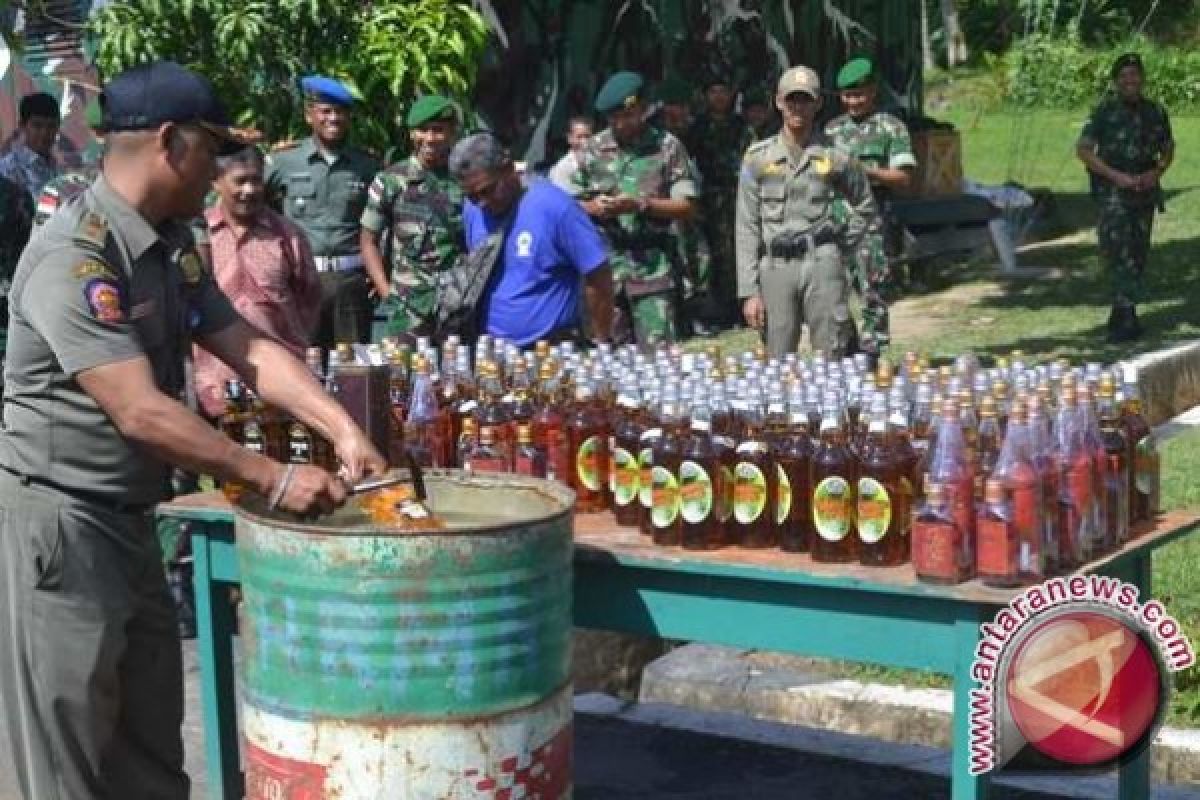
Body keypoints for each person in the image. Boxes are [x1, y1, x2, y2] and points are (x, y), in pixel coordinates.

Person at [0, 60, 385, 800]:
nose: (220, 172)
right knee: (61, 770)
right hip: (60, 532)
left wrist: (342, 428)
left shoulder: (167, 245)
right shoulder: (75, 256)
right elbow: (139, 410)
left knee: (148, 760)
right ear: (171, 142)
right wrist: (271, 476)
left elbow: (248, 346)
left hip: (129, 521)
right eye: (212, 151)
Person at [736, 65, 882, 360]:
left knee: (831, 354)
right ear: (778, 101)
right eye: (792, 99)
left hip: (822, 263)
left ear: (818, 103)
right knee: (777, 358)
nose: (797, 107)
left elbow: (865, 205)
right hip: (776, 266)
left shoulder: (835, 154)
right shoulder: (757, 158)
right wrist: (749, 291)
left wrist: (841, 243)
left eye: (805, 99)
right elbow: (747, 225)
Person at [193, 145, 322, 418]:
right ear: (216, 181)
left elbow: (308, 299)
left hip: (278, 392)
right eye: (240, 181)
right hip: (213, 390)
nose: (250, 190)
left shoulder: (288, 236)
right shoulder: (197, 235)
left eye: (256, 180)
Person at [451, 132, 613, 347]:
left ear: (508, 169)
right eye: (472, 196)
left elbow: (598, 275)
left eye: (487, 191)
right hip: (491, 352)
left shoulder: (555, 207)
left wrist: (600, 341)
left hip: (550, 353)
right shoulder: (473, 210)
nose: (481, 203)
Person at [569, 71, 697, 345]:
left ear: (642, 110)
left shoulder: (667, 147)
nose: (621, 124)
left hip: (653, 269)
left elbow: (686, 206)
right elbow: (566, 205)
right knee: (608, 362)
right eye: (614, 118)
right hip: (605, 271)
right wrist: (593, 207)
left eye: (628, 116)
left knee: (658, 363)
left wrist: (641, 204)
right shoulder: (593, 150)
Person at [266, 75, 380, 348]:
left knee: (352, 370)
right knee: (306, 366)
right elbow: (251, 203)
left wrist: (379, 273)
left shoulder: (367, 165)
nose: (333, 118)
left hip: (350, 283)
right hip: (302, 280)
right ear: (309, 116)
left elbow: (383, 222)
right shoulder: (284, 162)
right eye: (325, 111)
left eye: (340, 112)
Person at [1076, 52, 1174, 343]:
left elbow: (1168, 148)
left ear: (1142, 79)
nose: (1130, 81)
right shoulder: (1103, 112)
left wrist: (1157, 172)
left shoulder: (1155, 112)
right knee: (1118, 252)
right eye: (1124, 76)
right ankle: (1127, 315)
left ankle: (1121, 313)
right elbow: (1083, 150)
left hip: (1143, 193)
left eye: (1135, 75)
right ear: (1116, 81)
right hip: (1113, 194)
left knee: (1138, 253)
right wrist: (1115, 176)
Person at [824, 56, 915, 361]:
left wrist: (865, 171)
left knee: (872, 288)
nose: (854, 101)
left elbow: (903, 176)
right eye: (848, 96)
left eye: (860, 94)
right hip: (835, 221)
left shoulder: (891, 127)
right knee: (832, 289)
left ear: (872, 91)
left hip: (872, 223)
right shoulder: (830, 132)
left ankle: (872, 352)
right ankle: (846, 346)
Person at [360, 95, 466, 340]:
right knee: (402, 374)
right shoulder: (390, 181)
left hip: (455, 302)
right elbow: (368, 241)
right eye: (422, 130)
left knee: (456, 371)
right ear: (411, 134)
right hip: (408, 307)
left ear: (451, 134)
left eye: (438, 130)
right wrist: (387, 293)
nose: (430, 138)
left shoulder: (465, 179)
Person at [689, 75, 754, 329]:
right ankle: (715, 312)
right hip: (708, 200)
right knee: (711, 256)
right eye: (713, 91)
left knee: (738, 252)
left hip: (738, 197)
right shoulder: (698, 128)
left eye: (723, 91)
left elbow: (752, 159)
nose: (718, 97)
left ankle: (741, 309)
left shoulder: (742, 127)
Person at [0, 92, 61, 200]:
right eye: (37, 126)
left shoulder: (57, 167)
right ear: (22, 126)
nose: (45, 133)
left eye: (51, 126)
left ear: (58, 127)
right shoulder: (8, 170)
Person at [548, 115, 594, 191]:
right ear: (570, 138)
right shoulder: (561, 169)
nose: (584, 141)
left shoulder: (598, 160)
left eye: (587, 136)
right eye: (579, 137)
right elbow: (563, 199)